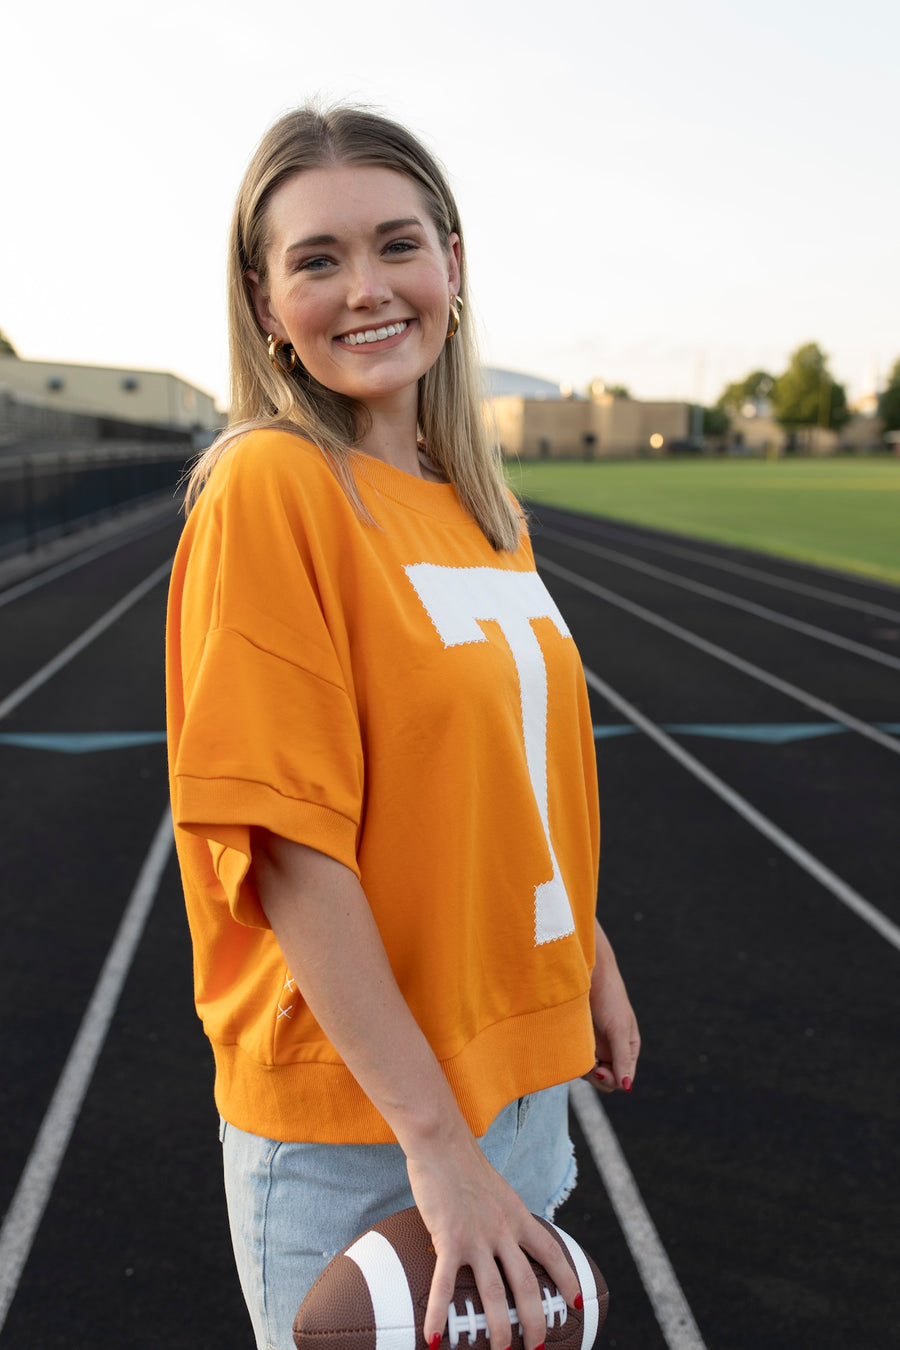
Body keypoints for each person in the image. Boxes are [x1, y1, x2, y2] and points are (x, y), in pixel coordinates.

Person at [166, 104, 640, 1350]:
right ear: (266, 303)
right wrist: (436, 1147)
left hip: (519, 1086)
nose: (366, 289)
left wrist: (580, 946)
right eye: (316, 260)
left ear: (454, 267)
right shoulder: (272, 487)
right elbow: (289, 850)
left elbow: (501, 769)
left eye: (396, 245)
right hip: (372, 1124)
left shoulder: (485, 511)